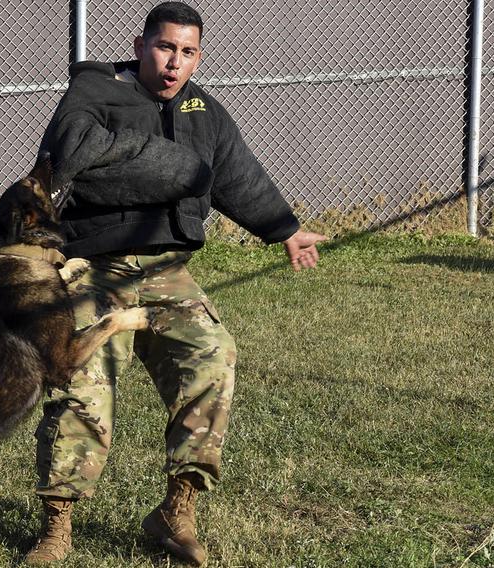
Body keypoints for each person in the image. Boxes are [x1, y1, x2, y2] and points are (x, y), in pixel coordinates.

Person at [23, 3, 327, 565]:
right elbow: (71, 159)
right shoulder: (94, 95)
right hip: (94, 266)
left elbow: (236, 174)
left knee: (213, 357)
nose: (174, 62)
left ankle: (175, 512)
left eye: (187, 52)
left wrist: (282, 228)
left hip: (166, 268)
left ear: (198, 57)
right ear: (140, 46)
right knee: (82, 386)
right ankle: (57, 525)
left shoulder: (203, 112)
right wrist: (176, 175)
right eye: (165, 48)